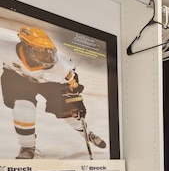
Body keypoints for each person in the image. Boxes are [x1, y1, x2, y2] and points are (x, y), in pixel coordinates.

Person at [0, 25, 106, 159]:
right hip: (19, 78)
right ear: (26, 48)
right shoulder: (4, 45)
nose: (47, 57)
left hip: (50, 84)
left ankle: (88, 133)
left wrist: (76, 104)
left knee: (70, 113)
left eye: (49, 52)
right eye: (41, 52)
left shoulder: (61, 67)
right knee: (23, 108)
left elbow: (72, 87)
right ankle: (27, 146)